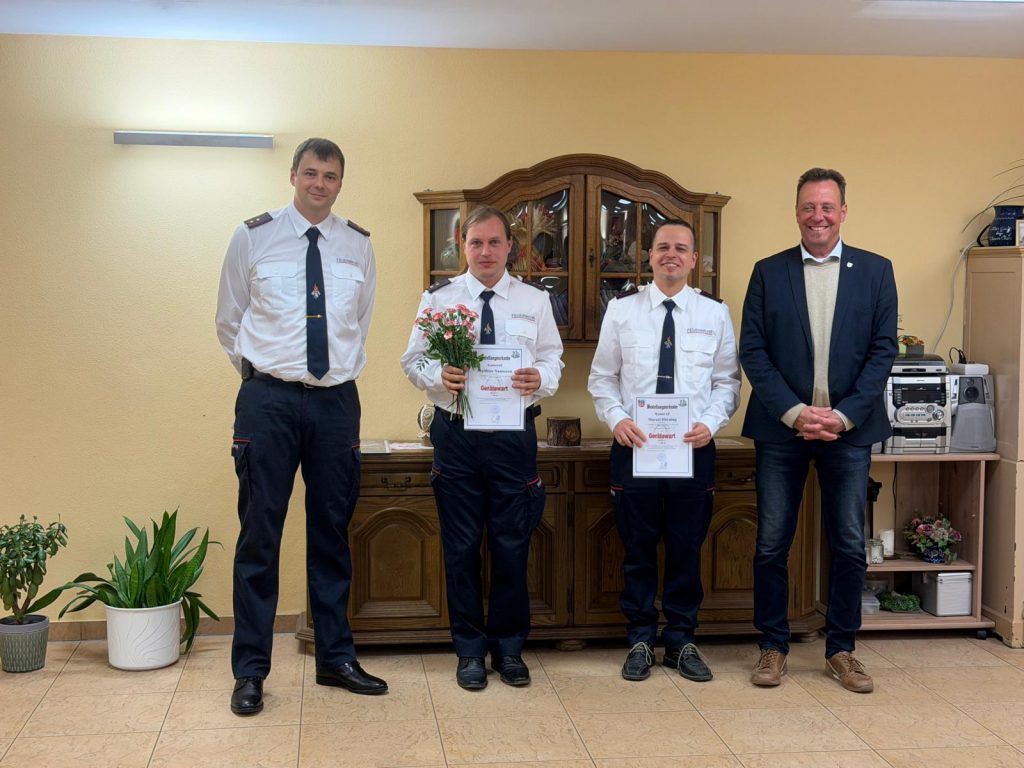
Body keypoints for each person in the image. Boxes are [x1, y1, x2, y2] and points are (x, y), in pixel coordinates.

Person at [216, 137, 387, 715]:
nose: (320, 184)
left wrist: (324, 378)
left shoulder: (357, 244)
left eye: (330, 176)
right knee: (259, 537)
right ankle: (250, 671)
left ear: (341, 183)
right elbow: (229, 321)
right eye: (311, 173)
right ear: (293, 175)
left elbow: (358, 323)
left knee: (332, 532)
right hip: (268, 401)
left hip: (335, 403)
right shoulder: (252, 237)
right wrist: (266, 376)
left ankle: (336, 658)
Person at [739, 168, 898, 694]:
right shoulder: (769, 272)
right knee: (771, 544)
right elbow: (753, 351)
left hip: (848, 431)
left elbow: (882, 352)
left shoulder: (876, 271)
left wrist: (843, 415)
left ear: (843, 212)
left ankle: (841, 650)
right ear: (796, 212)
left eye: (827, 207)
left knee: (849, 544)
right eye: (809, 207)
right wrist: (793, 412)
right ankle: (773, 646)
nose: (818, 216)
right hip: (782, 429)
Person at [400, 205, 563, 690]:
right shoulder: (439, 299)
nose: (486, 251)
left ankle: (509, 649)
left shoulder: (535, 300)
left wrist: (540, 378)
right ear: (463, 247)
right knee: (461, 547)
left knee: (512, 547)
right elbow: (412, 361)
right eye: (476, 243)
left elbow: (553, 359)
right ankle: (469, 651)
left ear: (510, 246)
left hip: (513, 437)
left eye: (494, 242)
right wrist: (439, 375)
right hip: (457, 436)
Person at [588, 219, 740, 682]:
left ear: (694, 259)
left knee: (685, 549)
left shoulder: (714, 313)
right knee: (637, 551)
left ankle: (680, 641)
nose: (670, 254)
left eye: (680, 248)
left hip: (693, 450)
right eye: (662, 247)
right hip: (635, 448)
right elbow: (602, 377)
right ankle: (639, 640)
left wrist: (710, 424)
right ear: (650, 256)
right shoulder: (622, 310)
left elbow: (727, 382)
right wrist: (618, 419)